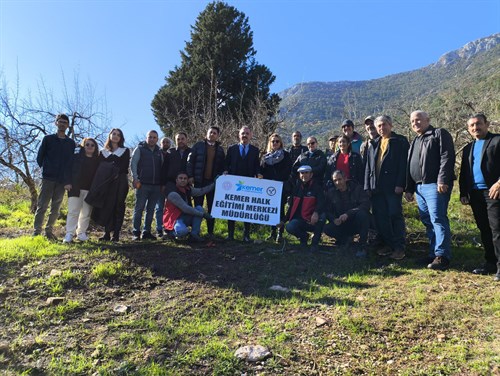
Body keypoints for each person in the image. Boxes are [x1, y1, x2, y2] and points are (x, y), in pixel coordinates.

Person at [405, 111, 455, 270]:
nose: (415, 123)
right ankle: (433, 253)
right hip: (419, 187)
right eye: (412, 121)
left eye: (418, 120)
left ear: (428, 120)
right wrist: (409, 188)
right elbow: (409, 166)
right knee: (428, 221)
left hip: (434, 185)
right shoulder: (415, 140)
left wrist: (443, 179)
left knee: (438, 219)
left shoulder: (439, 134)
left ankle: (442, 256)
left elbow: (447, 157)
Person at [459, 114, 500, 281]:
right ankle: (490, 262)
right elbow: (464, 172)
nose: (475, 128)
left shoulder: (497, 141)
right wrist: (463, 193)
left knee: (497, 230)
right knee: (484, 229)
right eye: (472, 126)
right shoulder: (468, 147)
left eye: (478, 124)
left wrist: (499, 183)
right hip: (475, 194)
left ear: (486, 124)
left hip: (494, 192)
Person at [365, 115, 409, 260]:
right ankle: (388, 244)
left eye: (384, 125)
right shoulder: (374, 143)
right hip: (376, 188)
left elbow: (404, 165)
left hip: (392, 187)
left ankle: (399, 247)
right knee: (381, 217)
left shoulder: (400, 141)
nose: (381, 128)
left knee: (395, 215)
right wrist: (368, 186)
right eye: (379, 126)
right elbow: (369, 166)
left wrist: (400, 184)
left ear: (390, 125)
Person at [33, 113, 76, 240]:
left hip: (62, 181)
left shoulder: (70, 143)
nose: (62, 124)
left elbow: (71, 163)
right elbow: (40, 157)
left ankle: (49, 231)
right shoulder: (48, 139)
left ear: (68, 126)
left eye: (65, 122)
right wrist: (46, 170)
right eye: (60, 121)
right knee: (42, 205)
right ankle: (36, 231)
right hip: (48, 178)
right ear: (56, 123)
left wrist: (68, 180)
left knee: (55, 207)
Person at [86, 128, 130, 242]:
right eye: (113, 134)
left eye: (118, 135)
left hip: (120, 181)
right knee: (107, 206)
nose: (115, 136)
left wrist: (112, 169)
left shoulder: (125, 151)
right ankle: (106, 233)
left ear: (121, 138)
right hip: (107, 183)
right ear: (110, 136)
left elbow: (124, 166)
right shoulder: (103, 152)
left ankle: (116, 234)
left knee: (118, 206)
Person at [186, 126, 226, 238]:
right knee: (198, 207)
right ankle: (196, 231)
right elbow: (190, 162)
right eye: (210, 132)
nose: (212, 134)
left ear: (218, 136)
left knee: (212, 207)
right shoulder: (198, 146)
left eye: (214, 133)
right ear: (206, 133)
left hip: (213, 183)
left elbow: (223, 165)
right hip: (199, 181)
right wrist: (190, 176)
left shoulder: (220, 149)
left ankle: (210, 232)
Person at [224, 126, 262, 242]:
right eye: (242, 133)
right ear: (239, 135)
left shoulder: (255, 150)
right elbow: (227, 163)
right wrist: (225, 171)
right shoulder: (232, 149)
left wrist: (258, 173)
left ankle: (246, 235)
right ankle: (230, 234)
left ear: (250, 135)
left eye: (247, 133)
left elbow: (257, 165)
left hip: (248, 184)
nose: (244, 135)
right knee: (232, 208)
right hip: (233, 183)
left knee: (247, 210)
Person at [324, 170, 371, 257]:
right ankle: (345, 239)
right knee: (327, 228)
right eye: (335, 180)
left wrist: (349, 214)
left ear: (345, 179)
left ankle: (362, 245)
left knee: (363, 215)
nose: (338, 182)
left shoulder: (357, 189)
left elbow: (365, 204)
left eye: (340, 179)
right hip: (342, 223)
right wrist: (333, 219)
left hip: (356, 221)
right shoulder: (331, 193)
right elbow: (327, 210)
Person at [280, 165, 325, 252]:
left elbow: (321, 203)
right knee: (290, 227)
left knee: (322, 216)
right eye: (301, 173)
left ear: (311, 174)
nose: (304, 175)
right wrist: (283, 221)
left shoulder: (317, 188)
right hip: (300, 220)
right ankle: (304, 237)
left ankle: (315, 243)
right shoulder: (296, 188)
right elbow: (291, 207)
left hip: (313, 220)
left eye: (306, 173)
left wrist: (316, 213)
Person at [63, 138, 100, 243]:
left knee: (86, 213)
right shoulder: (75, 157)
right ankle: (69, 234)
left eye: (92, 145)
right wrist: (67, 182)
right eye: (87, 144)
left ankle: (81, 233)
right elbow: (67, 169)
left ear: (95, 147)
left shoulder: (97, 160)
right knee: (73, 212)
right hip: (75, 188)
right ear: (83, 146)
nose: (90, 146)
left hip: (90, 191)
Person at [130, 130, 163, 241]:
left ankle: (146, 232)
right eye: (150, 137)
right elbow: (133, 163)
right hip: (142, 184)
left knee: (151, 210)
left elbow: (162, 167)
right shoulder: (139, 149)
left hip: (156, 186)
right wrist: (135, 178)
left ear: (157, 139)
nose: (152, 139)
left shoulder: (159, 151)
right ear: (146, 138)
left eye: (154, 137)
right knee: (139, 209)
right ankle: (136, 232)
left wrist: (161, 183)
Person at [163, 171, 214, 242]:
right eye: (180, 178)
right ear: (176, 180)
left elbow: (201, 191)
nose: (183, 180)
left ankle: (194, 235)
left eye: (185, 178)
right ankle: (171, 234)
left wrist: (215, 184)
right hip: (174, 219)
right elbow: (185, 208)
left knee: (199, 208)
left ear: (187, 180)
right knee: (182, 231)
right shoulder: (173, 193)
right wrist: (203, 215)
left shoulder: (188, 189)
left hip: (185, 216)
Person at [260, 133, 293, 242]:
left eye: (277, 141)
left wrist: (278, 179)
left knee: (280, 211)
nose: (275, 143)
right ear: (270, 143)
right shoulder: (265, 157)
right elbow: (262, 171)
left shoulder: (286, 155)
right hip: (268, 188)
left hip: (281, 187)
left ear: (281, 143)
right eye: (273, 141)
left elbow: (288, 170)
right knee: (270, 210)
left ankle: (280, 233)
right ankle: (272, 232)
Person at [154, 137, 172, 237]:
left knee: (169, 208)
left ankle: (168, 227)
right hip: (159, 184)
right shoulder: (156, 154)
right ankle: (159, 228)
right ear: (160, 143)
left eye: (167, 142)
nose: (165, 143)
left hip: (170, 184)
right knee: (159, 207)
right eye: (163, 142)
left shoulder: (172, 154)